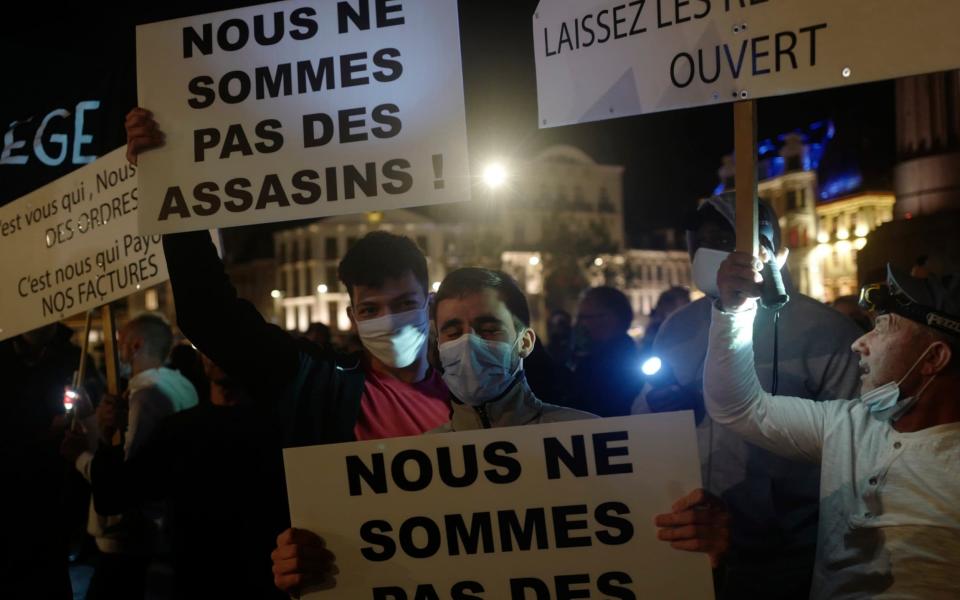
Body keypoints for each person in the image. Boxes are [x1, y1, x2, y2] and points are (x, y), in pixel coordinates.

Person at [271, 268, 732, 593]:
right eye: (452, 330)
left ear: (524, 342)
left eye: (488, 327)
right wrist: (311, 567)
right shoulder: (407, 469)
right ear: (437, 345)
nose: (467, 342)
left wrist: (699, 540)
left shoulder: (592, 439)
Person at [635, 196, 863, 599]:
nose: (708, 251)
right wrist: (656, 405)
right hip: (695, 545)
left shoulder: (826, 331)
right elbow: (640, 414)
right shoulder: (677, 327)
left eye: (723, 238)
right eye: (699, 240)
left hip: (793, 557)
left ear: (767, 247)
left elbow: (857, 446)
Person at [707, 256, 960, 599]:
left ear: (933, 359)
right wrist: (734, 311)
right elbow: (738, 407)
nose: (859, 343)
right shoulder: (848, 425)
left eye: (883, 327)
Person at [81, 353, 288, 600]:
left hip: (261, 580)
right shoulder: (179, 430)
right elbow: (116, 495)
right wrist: (108, 438)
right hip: (201, 579)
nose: (215, 351)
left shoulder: (282, 426)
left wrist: (105, 441)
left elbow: (113, 496)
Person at [62, 313, 198, 600]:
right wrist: (90, 418)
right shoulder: (181, 385)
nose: (117, 349)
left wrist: (78, 457)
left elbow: (126, 477)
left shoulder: (145, 396)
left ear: (135, 346)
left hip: (128, 537)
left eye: (120, 342)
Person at [1, 323, 100, 600]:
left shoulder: (72, 358)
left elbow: (92, 403)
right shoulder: (6, 362)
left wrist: (87, 416)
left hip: (55, 489)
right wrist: (45, 429)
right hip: (10, 485)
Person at [568, 286, 644, 417]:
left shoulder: (610, 362)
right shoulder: (589, 356)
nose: (578, 324)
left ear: (609, 318)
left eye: (584, 317)